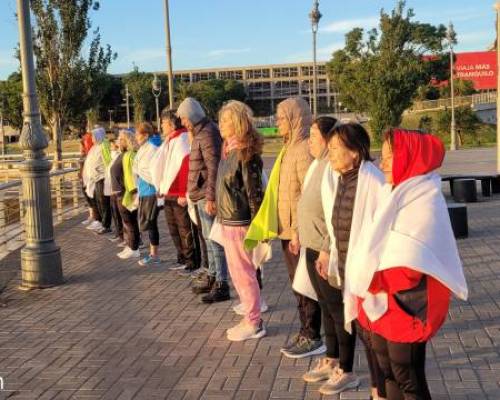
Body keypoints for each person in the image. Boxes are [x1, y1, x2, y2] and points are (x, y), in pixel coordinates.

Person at [351, 129, 468, 399]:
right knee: (387, 370)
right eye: (383, 156)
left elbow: (411, 265)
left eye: (391, 157)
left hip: (410, 305)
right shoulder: (392, 192)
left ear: (411, 157)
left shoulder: (424, 199)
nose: (382, 163)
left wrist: (372, 278)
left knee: (407, 375)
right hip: (382, 299)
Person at [296, 122, 386, 396]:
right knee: (361, 331)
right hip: (346, 267)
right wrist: (331, 254)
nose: (330, 154)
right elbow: (337, 227)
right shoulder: (343, 179)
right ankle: (375, 387)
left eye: (336, 148)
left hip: (367, 275)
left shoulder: (371, 180)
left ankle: (375, 386)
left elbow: (377, 230)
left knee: (372, 336)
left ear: (355, 153)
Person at [271, 97, 323, 359]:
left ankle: (312, 335)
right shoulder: (288, 148)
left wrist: (296, 230)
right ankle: (307, 331)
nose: (277, 122)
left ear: (293, 119)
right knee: (297, 283)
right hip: (287, 231)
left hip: (297, 233)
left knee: (304, 284)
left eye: (281, 118)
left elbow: (307, 194)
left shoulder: (302, 151)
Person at [214, 100, 266, 341]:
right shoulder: (229, 151)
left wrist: (258, 228)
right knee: (238, 273)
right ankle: (250, 315)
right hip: (228, 221)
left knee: (245, 274)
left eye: (225, 121)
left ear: (236, 123)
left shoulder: (245, 153)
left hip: (240, 222)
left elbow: (254, 194)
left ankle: (254, 321)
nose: (221, 125)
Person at [177, 97, 229, 304]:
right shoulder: (201, 132)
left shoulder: (206, 133)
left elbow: (213, 166)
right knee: (209, 239)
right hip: (199, 195)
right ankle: (214, 277)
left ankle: (221, 283)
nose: (182, 123)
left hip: (204, 196)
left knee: (213, 240)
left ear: (191, 116)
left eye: (183, 118)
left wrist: (210, 196)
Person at [151, 108, 198, 274]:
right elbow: (165, 166)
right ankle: (182, 258)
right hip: (168, 192)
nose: (161, 126)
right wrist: (161, 186)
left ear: (171, 124)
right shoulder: (170, 139)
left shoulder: (182, 139)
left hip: (179, 194)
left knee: (184, 228)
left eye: (163, 123)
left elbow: (185, 167)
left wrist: (183, 193)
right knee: (173, 228)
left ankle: (192, 261)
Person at [134, 122, 162, 266]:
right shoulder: (144, 147)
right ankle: (153, 253)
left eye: (138, 134)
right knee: (148, 223)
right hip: (144, 191)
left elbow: (153, 170)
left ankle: (154, 255)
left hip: (151, 191)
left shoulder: (152, 147)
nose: (136, 137)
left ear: (145, 135)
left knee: (151, 223)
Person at [112, 129, 141, 259]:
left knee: (130, 220)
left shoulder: (130, 154)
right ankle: (130, 245)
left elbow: (133, 175)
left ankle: (134, 248)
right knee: (126, 221)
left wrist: (133, 192)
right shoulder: (122, 154)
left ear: (127, 141)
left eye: (121, 139)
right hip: (120, 192)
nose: (119, 141)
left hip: (127, 192)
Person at [82, 126, 112, 234]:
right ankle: (99, 221)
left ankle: (105, 224)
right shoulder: (95, 147)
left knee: (104, 202)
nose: (92, 138)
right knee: (97, 201)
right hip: (94, 179)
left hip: (102, 178)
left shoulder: (103, 146)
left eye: (94, 136)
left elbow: (108, 161)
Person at [79, 131, 99, 226]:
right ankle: (91, 216)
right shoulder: (84, 153)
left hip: (90, 178)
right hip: (83, 177)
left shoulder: (92, 152)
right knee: (88, 197)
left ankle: (95, 217)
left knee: (92, 197)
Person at [107, 137, 124, 243]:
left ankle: (125, 237)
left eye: (112, 144)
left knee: (122, 215)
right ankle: (119, 234)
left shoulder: (119, 155)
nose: (110, 147)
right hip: (112, 188)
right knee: (115, 213)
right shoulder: (113, 156)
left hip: (119, 189)